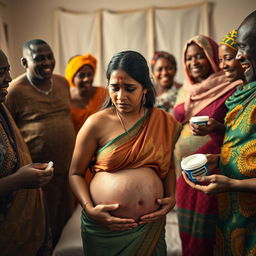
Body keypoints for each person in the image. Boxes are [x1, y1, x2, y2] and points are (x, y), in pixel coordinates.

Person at [69, 50, 181, 255]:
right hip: (105, 230)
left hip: (150, 227)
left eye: (130, 89)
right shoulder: (96, 123)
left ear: (145, 89)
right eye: (114, 88)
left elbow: (169, 168)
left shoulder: (162, 121)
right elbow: (75, 173)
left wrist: (172, 197)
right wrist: (89, 208)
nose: (121, 97)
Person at [182, 11, 256, 255]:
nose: (238, 57)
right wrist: (221, 159)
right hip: (233, 217)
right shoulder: (245, 95)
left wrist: (233, 183)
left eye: (243, 48)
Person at [173, 35, 241, 256]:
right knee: (187, 230)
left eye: (200, 56)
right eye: (189, 58)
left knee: (208, 233)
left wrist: (216, 127)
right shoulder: (187, 90)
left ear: (212, 58)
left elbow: (240, 130)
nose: (193, 62)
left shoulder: (232, 85)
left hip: (213, 168)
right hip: (183, 172)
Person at [5, 39, 76, 247]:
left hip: (67, 169)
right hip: (38, 176)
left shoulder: (63, 83)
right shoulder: (14, 91)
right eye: (39, 58)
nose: (47, 62)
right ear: (25, 63)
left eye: (49, 56)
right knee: (43, 227)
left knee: (68, 223)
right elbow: (9, 132)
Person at [0, 49, 53, 255]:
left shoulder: (1, 109)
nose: (9, 79)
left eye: (8, 71)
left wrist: (26, 173)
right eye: (1, 72)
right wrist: (18, 181)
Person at [65, 54, 107, 133]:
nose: (87, 79)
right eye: (81, 75)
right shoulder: (65, 98)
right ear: (72, 78)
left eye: (89, 74)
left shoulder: (103, 93)